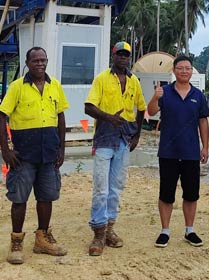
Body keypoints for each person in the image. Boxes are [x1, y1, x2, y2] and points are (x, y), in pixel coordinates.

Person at [0, 46, 69, 265]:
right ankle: (16, 241)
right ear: (27, 63)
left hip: (49, 155)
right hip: (23, 156)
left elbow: (61, 117)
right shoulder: (17, 87)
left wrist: (62, 149)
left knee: (46, 197)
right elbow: (1, 117)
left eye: (43, 60)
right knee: (19, 199)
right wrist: (5, 150)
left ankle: (42, 239)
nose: (40, 64)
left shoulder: (54, 85)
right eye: (36, 60)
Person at [84, 41, 146, 256]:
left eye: (126, 55)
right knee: (101, 186)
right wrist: (108, 117)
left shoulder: (134, 81)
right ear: (113, 56)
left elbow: (141, 108)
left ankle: (110, 228)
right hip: (104, 137)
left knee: (116, 186)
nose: (123, 58)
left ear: (129, 57)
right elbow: (88, 106)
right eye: (119, 54)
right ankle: (98, 232)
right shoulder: (102, 79)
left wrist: (137, 133)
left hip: (124, 139)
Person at [146, 54, 209, 248]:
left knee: (191, 194)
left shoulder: (198, 95)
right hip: (168, 151)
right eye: (180, 68)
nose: (184, 71)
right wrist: (155, 97)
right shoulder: (164, 91)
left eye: (187, 68)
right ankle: (165, 231)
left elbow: (203, 121)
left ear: (192, 71)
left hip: (191, 152)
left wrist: (205, 146)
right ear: (173, 71)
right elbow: (151, 111)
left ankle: (189, 230)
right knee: (166, 194)